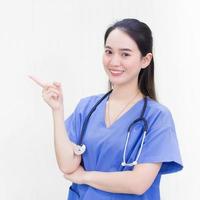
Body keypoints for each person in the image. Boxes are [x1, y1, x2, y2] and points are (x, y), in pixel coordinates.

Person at [29, 18, 183, 200]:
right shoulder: (87, 108)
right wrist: (57, 110)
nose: (114, 61)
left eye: (125, 54)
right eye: (109, 52)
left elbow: (138, 183)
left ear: (145, 60)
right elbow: (67, 165)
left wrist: (84, 176)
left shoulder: (157, 117)